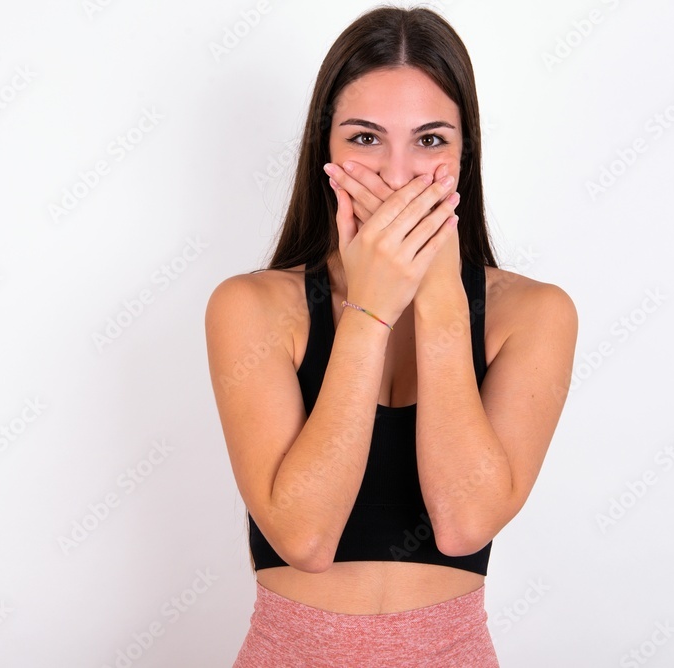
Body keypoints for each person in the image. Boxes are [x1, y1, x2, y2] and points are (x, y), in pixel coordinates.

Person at [205, 5, 578, 666]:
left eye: (430, 140)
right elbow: (304, 537)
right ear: (325, 150)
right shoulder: (254, 307)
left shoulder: (534, 314)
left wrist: (436, 297)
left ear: (465, 155)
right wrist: (370, 311)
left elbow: (464, 524)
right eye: (366, 139)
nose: (398, 174)